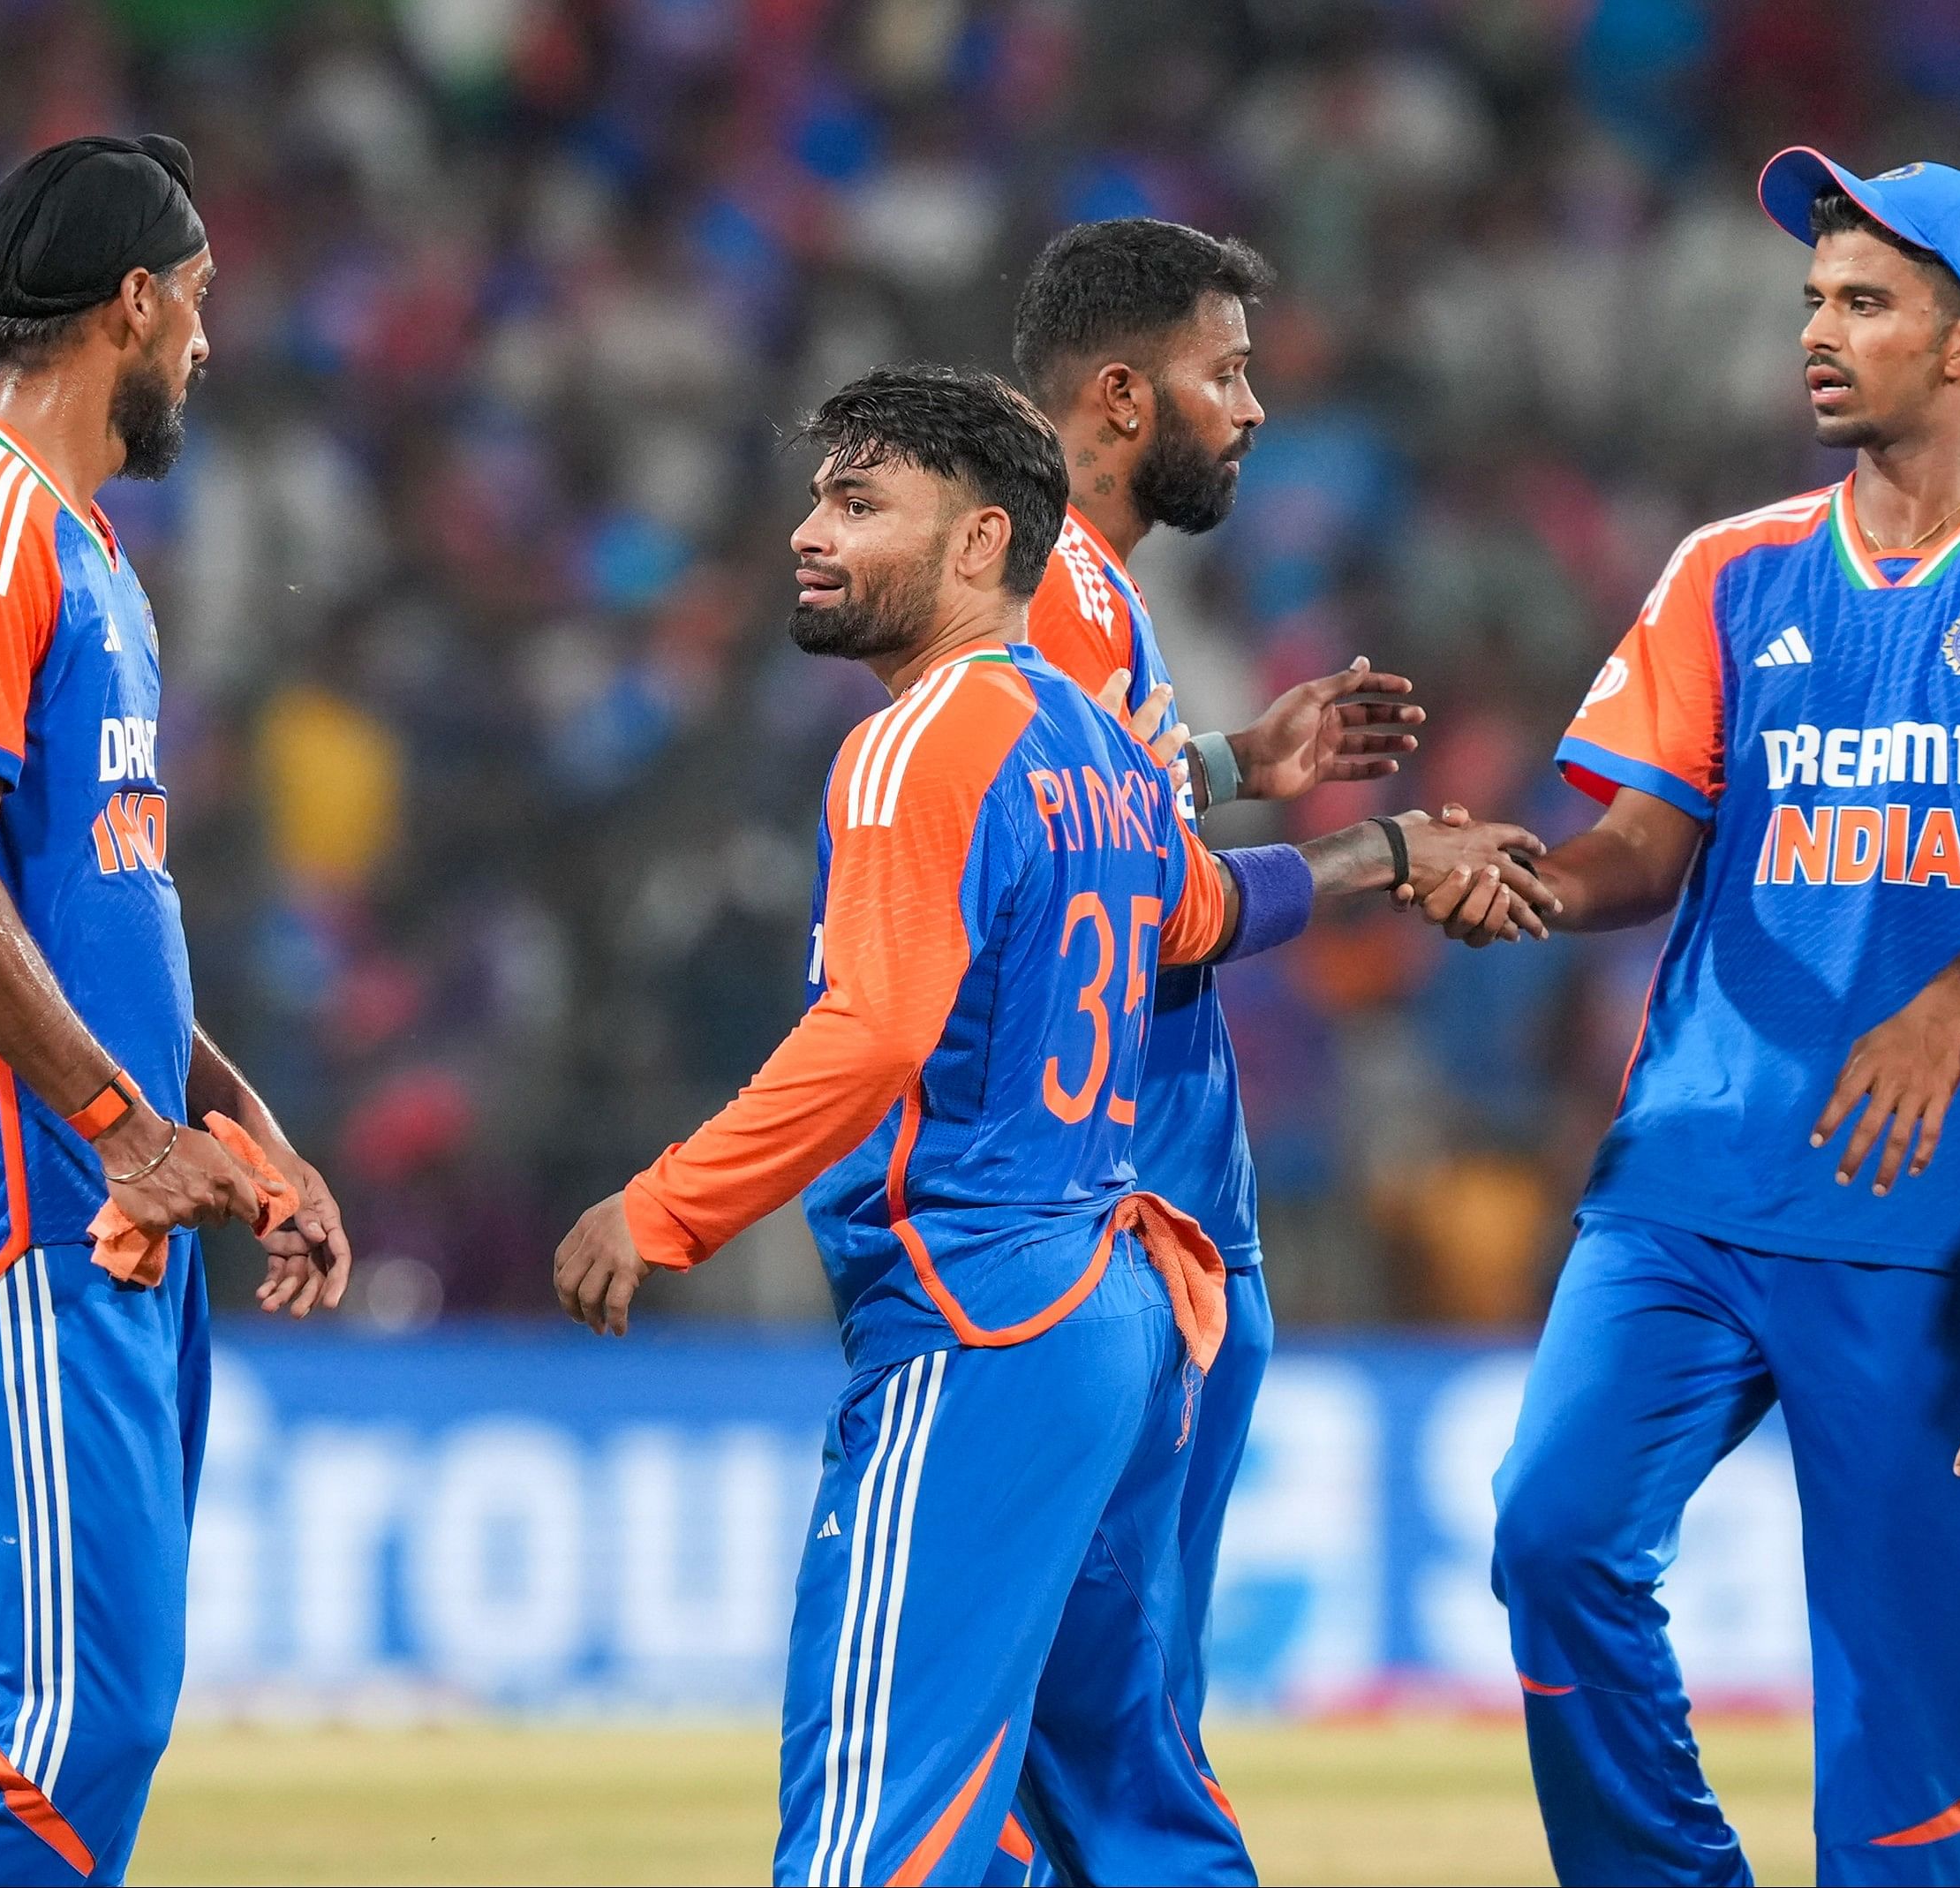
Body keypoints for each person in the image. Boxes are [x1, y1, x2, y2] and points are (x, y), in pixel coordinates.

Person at [548, 364, 1536, 1888]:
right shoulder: (1088, 742)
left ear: (978, 543)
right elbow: (1201, 908)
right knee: (1115, 1796)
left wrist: (660, 1206)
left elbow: (869, 1032)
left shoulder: (908, 744)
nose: (810, 530)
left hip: (977, 1312)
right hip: (1114, 1311)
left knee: (881, 1817)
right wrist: (1379, 849)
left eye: (859, 502)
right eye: (820, 494)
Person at [1460, 151, 1960, 1885]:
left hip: (1925, 1212)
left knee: (1898, 1708)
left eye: (1862, 301)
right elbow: (1644, 836)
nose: (1817, 331)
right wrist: (1538, 887)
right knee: (1550, 1534)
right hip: (1687, 1178)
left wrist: (1946, 1005)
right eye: (1810, 300)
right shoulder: (1727, 569)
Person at [0, 134, 351, 1884]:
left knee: (97, 1720)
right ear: (133, 304)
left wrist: (226, 1111)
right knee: (49, 1748)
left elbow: (97, 901)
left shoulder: (88, 553)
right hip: (15, 1214)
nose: (208, 346)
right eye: (198, 307)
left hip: (100, 1212)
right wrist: (125, 1131)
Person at [996, 215, 1512, 1880]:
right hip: (1121, 1216)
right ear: (1125, 396)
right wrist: (1378, 858)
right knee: (1118, 1704)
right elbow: (1136, 909)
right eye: (1227, 372)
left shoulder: (1091, 599)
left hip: (1162, 1211)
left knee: (1101, 1695)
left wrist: (1231, 757)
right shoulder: (1057, 599)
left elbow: (1106, 808)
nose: (1255, 406)